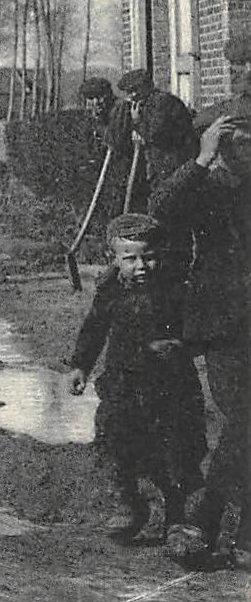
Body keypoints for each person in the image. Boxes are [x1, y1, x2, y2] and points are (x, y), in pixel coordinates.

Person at [151, 33, 251, 568]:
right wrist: (203, 159)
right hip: (226, 316)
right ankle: (214, 520)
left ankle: (210, 519)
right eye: (240, 68)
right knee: (243, 416)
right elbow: (159, 213)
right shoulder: (206, 173)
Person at [67, 212, 205, 546]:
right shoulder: (111, 291)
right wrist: (81, 366)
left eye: (150, 257)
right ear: (113, 259)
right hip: (123, 384)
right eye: (130, 259)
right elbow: (95, 328)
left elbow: (199, 328)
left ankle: (179, 523)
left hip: (172, 387)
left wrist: (181, 344)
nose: (142, 266)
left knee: (177, 453)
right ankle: (129, 505)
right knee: (116, 443)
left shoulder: (175, 290)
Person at [110, 68, 196, 211]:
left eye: (135, 90)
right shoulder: (145, 103)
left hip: (174, 160)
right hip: (159, 162)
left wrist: (137, 121)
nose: (132, 96)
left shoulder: (163, 102)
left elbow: (155, 134)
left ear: (147, 86)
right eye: (129, 92)